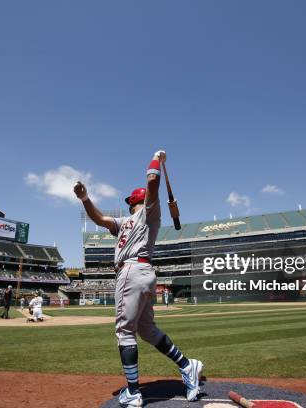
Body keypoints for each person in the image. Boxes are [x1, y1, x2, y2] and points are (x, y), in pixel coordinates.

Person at [74, 150, 203, 407]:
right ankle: (188, 366)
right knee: (146, 329)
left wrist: (157, 158)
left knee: (124, 331)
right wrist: (85, 198)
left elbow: (153, 179)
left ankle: (133, 392)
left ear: (133, 200)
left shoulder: (149, 212)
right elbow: (99, 218)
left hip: (131, 271)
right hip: (144, 273)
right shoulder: (124, 221)